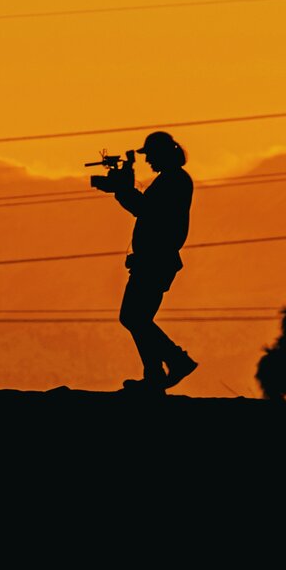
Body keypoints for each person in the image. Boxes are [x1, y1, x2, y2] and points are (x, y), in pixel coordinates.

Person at [109, 131, 199, 393]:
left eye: (150, 155)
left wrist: (122, 190)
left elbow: (146, 210)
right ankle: (156, 375)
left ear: (162, 154)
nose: (148, 160)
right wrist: (123, 191)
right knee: (137, 318)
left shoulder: (174, 181)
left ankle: (174, 361)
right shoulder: (172, 180)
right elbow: (147, 207)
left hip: (155, 261)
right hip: (153, 260)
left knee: (134, 317)